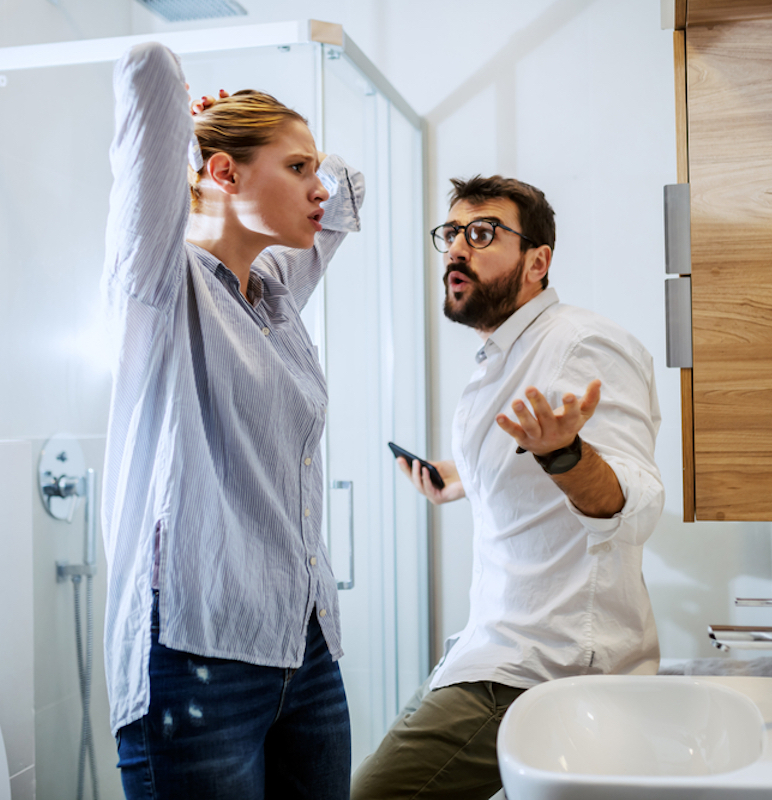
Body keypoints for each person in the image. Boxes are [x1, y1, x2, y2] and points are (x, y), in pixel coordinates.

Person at [100, 42, 364, 799]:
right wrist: (194, 127)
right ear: (223, 173)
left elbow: (351, 186)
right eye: (297, 168)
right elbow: (145, 64)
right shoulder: (159, 284)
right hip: (198, 654)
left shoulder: (273, 290)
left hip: (304, 648)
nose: (319, 186)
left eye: (312, 166)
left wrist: (277, 149)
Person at [351, 176, 664, 800]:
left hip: (548, 664)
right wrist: (460, 479)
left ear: (537, 262)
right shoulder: (504, 353)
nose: (456, 250)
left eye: (482, 233)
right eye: (451, 234)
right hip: (500, 646)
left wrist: (568, 454)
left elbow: (637, 505)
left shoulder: (582, 344)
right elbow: (526, 460)